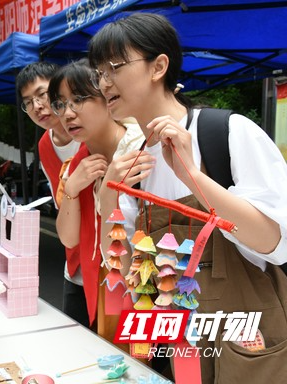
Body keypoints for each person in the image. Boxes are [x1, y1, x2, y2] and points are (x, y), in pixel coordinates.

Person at [89, 13, 287, 383]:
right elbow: (127, 276)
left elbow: (275, 243)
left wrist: (194, 179)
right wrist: (108, 205)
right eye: (98, 72)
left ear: (158, 66)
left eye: (114, 66)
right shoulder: (131, 161)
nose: (104, 82)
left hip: (248, 340)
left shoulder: (228, 132)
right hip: (184, 348)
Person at [48, 59, 144, 348]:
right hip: (100, 284)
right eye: (60, 104)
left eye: (78, 99)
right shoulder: (76, 165)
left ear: (108, 96)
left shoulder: (141, 151)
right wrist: (74, 188)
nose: (68, 113)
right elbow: (68, 237)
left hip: (149, 287)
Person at [15, 62, 85, 325]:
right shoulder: (45, 146)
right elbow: (63, 205)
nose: (37, 106)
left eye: (42, 94)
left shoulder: (95, 131)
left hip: (112, 267)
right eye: (28, 102)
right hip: (75, 268)